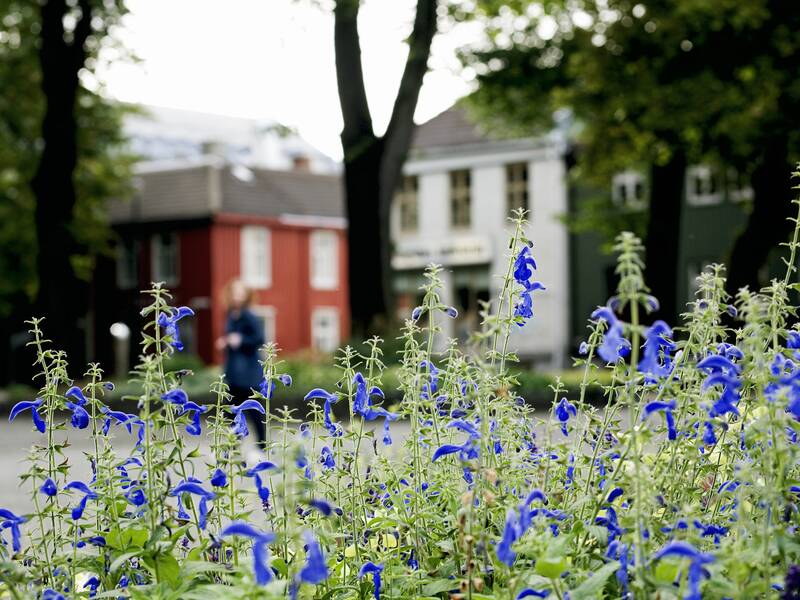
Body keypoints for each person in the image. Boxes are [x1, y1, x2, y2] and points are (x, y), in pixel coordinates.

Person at [216, 279, 266, 448]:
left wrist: (241, 339)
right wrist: (225, 341)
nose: (237, 296)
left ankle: (262, 448)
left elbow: (260, 338)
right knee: (232, 410)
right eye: (234, 293)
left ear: (246, 296)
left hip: (249, 372)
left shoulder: (249, 316)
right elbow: (232, 337)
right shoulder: (231, 314)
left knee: (254, 411)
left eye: (241, 293)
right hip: (234, 371)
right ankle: (233, 448)